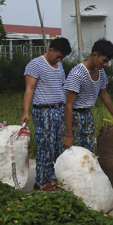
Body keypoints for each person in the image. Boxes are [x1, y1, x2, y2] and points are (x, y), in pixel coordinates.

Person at [21, 37, 72, 191]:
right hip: (44, 112)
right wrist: (26, 112)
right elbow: (29, 89)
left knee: (58, 146)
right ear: (51, 50)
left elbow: (62, 87)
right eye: (58, 55)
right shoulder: (35, 65)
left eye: (62, 57)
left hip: (59, 110)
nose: (60, 59)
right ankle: (41, 181)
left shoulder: (60, 66)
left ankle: (53, 178)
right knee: (46, 147)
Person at [63, 38, 113, 150]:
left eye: (108, 62)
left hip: (88, 116)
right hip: (74, 117)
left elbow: (104, 94)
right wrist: (69, 134)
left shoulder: (101, 72)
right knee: (74, 153)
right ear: (94, 55)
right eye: (104, 60)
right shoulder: (78, 73)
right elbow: (68, 105)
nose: (105, 64)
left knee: (88, 152)